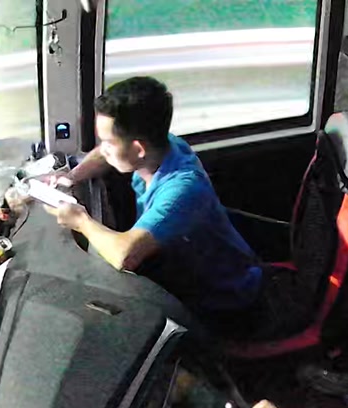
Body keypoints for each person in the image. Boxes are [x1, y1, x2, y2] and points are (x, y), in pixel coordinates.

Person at [38, 76, 263, 331]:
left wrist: (80, 220)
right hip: (181, 270)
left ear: (139, 149)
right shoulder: (163, 146)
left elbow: (125, 255)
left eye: (109, 142)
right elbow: (103, 154)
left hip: (224, 301)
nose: (103, 148)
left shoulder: (182, 190)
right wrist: (71, 177)